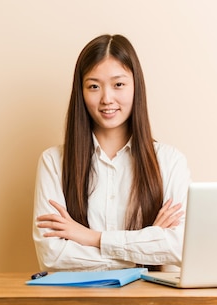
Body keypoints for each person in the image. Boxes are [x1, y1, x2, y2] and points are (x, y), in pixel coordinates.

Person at [32, 34, 192, 272]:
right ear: (81, 92)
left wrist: (92, 238)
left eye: (118, 84)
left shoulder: (169, 161)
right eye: (94, 86)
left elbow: (179, 248)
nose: (107, 99)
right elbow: (52, 255)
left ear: (136, 85)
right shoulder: (54, 162)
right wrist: (146, 251)